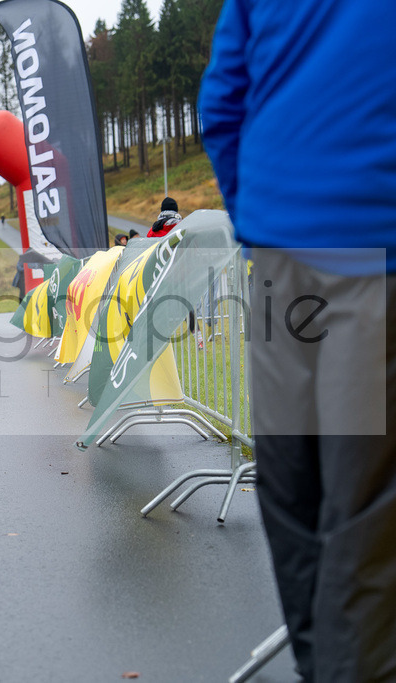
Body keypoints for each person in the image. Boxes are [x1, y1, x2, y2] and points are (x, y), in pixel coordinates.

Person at [201, 2, 396, 680]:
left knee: (295, 493)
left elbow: (221, 103)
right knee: (364, 513)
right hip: (376, 246)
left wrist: (259, 221)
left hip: (281, 254)